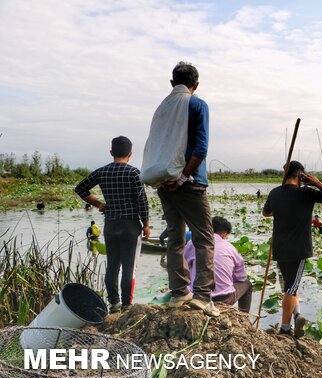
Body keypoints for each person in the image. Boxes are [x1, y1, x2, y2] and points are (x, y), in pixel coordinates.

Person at [148, 61, 219, 317]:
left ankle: (179, 293)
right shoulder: (197, 104)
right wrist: (183, 177)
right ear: (195, 85)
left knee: (176, 239)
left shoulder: (162, 107)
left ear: (172, 83)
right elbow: (200, 149)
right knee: (204, 238)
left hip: (163, 183)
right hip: (190, 182)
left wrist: (169, 179)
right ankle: (202, 296)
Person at [263, 161, 322, 338]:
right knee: (291, 288)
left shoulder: (275, 192)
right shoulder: (306, 192)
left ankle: (297, 316)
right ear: (301, 175)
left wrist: (283, 208)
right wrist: (316, 183)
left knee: (290, 285)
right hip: (298, 249)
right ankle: (284, 328)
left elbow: (266, 213)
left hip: (280, 248)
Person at [75, 136, 150, 312]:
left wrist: (99, 204)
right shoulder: (134, 173)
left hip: (111, 225)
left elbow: (80, 188)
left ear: (111, 153)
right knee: (128, 266)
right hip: (130, 225)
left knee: (113, 266)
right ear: (130, 154)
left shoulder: (102, 172)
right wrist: (146, 224)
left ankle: (114, 303)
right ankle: (126, 305)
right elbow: (142, 202)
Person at [184, 217, 252, 313]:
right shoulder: (230, 248)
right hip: (224, 299)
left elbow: (183, 266)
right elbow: (240, 278)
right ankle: (244, 317)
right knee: (247, 284)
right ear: (224, 234)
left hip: (195, 296)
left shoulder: (193, 243)